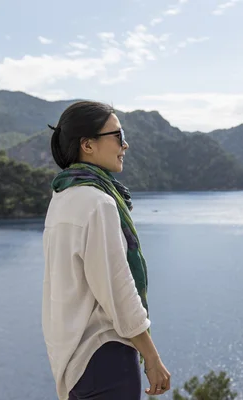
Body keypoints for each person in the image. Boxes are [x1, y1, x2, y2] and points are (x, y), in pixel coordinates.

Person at [41, 100, 171, 400]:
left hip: (74, 357)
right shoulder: (97, 202)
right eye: (118, 135)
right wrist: (151, 356)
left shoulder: (62, 196)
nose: (126, 145)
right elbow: (117, 287)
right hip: (105, 355)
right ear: (87, 144)